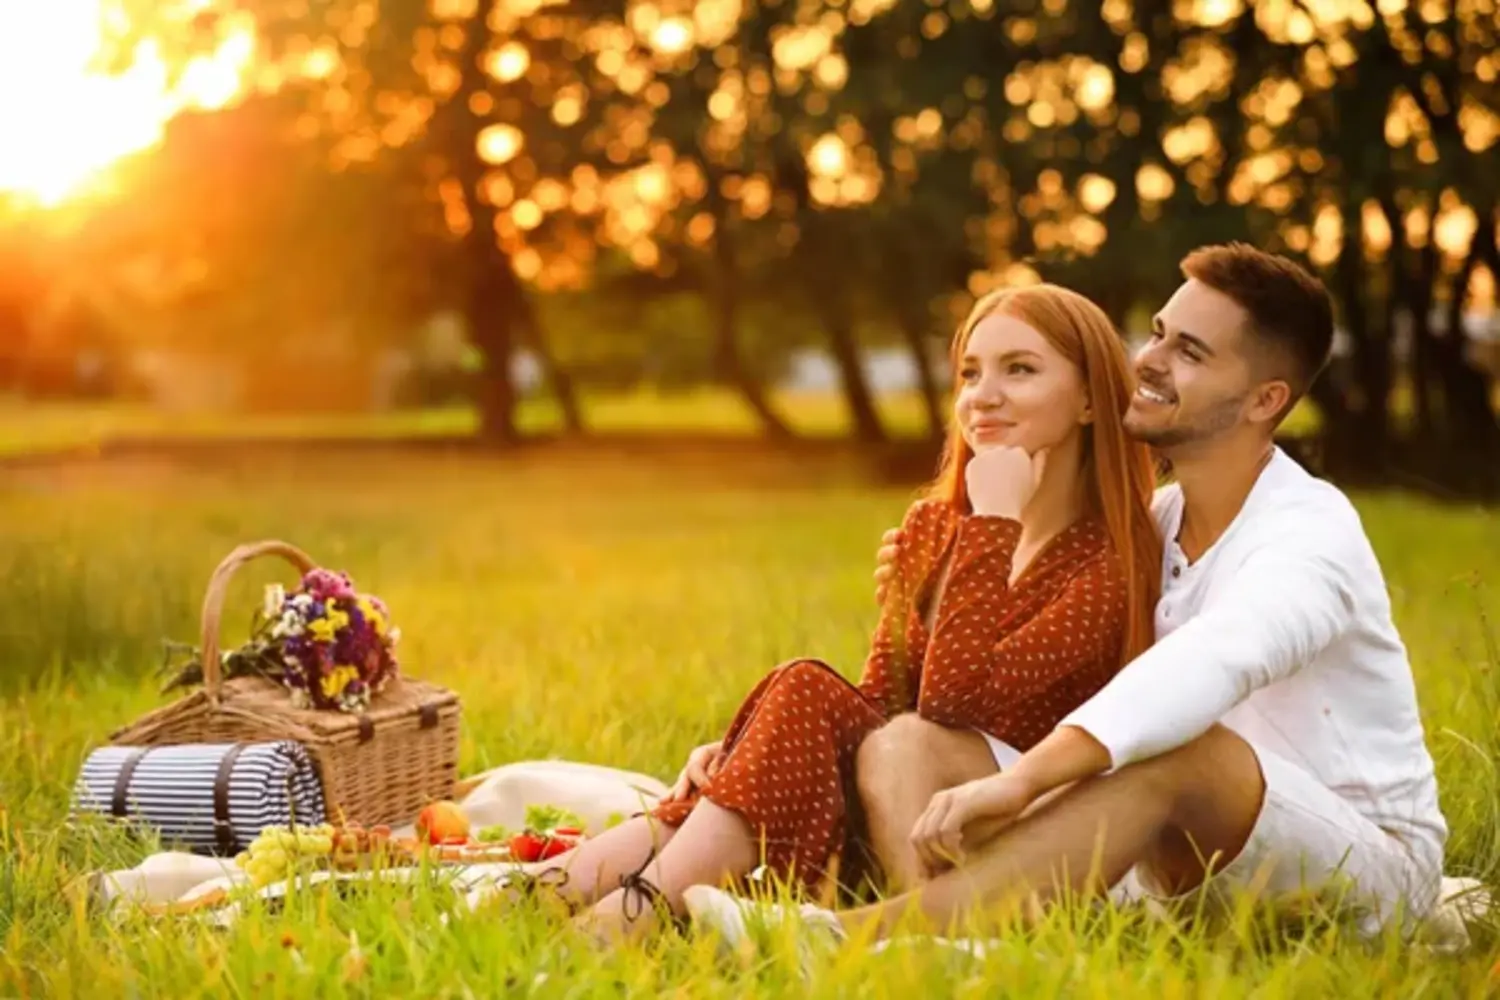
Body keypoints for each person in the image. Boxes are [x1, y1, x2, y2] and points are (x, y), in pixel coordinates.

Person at [683, 243, 1450, 947]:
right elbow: (983, 684)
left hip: (1361, 864)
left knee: (1181, 752)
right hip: (1167, 851)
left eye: (1189, 351)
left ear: (1262, 400)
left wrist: (1025, 781)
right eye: (1157, 332)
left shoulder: (1309, 535)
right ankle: (949, 954)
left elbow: (1214, 663)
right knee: (907, 740)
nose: (1147, 360)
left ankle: (855, 938)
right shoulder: (1153, 523)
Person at [474, 283, 1161, 940]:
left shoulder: (1106, 565)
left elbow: (950, 704)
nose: (984, 396)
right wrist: (746, 749)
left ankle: (625, 913)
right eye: (971, 373)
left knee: (876, 724)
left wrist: (995, 524)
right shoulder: (933, 528)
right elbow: (879, 699)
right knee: (799, 688)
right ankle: (560, 894)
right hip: (890, 812)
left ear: (1089, 401)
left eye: (1020, 370)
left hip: (1002, 830)